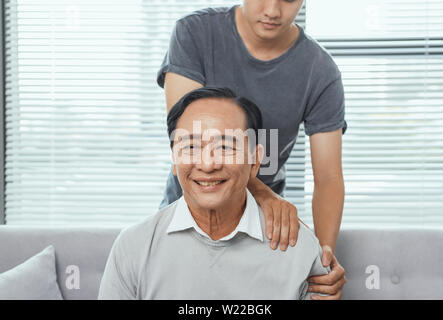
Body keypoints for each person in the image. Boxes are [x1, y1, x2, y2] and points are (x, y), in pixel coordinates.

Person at [157, 1, 347, 299]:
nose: (273, 10)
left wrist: (322, 260)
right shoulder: (194, 33)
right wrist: (265, 195)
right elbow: (187, 141)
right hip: (188, 215)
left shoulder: (320, 70)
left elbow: (329, 178)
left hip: (263, 229)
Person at [98, 87, 329, 300]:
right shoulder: (134, 247)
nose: (207, 165)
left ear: (255, 160)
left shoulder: (300, 249)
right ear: (174, 160)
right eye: (190, 147)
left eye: (225, 147)